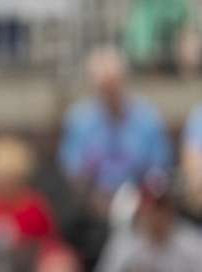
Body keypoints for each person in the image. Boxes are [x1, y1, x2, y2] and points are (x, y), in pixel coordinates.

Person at [57, 47, 171, 212]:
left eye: (114, 85)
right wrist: (94, 198)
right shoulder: (78, 119)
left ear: (124, 81)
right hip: (91, 207)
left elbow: (159, 169)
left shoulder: (148, 117)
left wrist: (140, 198)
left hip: (141, 205)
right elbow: (72, 171)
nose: (110, 93)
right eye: (104, 87)